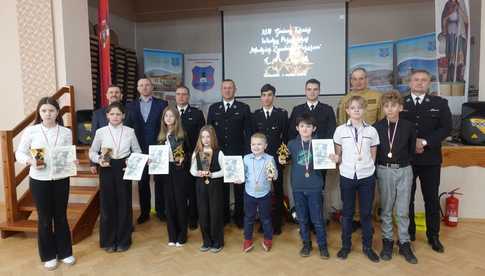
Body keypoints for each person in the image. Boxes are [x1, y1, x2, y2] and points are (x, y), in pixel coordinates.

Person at [15, 97, 77, 270]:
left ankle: (65, 252)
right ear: (39, 112)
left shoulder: (65, 132)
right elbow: (19, 153)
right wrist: (29, 161)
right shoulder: (31, 131)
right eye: (44, 110)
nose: (48, 114)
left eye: (51, 110)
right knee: (44, 218)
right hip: (39, 180)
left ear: (57, 112)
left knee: (61, 216)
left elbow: (67, 154)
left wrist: (73, 161)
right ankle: (49, 255)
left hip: (61, 180)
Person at [401, 69, 452, 253]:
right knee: (407, 199)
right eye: (416, 80)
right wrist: (411, 142)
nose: (420, 83)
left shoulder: (440, 103)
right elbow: (395, 127)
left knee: (431, 199)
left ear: (429, 83)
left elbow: (446, 128)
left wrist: (424, 142)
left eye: (424, 80)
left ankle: (433, 236)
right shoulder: (401, 103)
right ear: (410, 83)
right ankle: (410, 233)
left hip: (430, 160)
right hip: (407, 159)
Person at [331, 95, 380, 262]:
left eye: (359, 107)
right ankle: (346, 246)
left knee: (366, 213)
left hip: (366, 176)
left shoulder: (372, 131)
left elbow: (373, 154)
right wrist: (336, 159)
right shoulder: (340, 131)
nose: (356, 110)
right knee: (347, 213)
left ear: (364, 110)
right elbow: (338, 154)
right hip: (347, 176)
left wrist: (368, 168)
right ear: (347, 111)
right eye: (353, 107)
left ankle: (368, 247)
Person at [89, 102, 141, 253]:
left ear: (123, 115)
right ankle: (108, 241)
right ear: (107, 116)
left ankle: (124, 240)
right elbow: (92, 152)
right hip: (106, 168)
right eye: (112, 114)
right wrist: (99, 160)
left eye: (118, 114)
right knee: (107, 205)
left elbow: (137, 151)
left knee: (124, 204)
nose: (115, 117)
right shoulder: (101, 132)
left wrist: (131, 160)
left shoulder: (130, 131)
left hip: (123, 168)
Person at [337, 67, 384, 230]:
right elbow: (341, 125)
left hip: (370, 147)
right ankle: (354, 219)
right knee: (350, 189)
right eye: (355, 79)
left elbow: (382, 124)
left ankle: (367, 218)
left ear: (367, 79)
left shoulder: (377, 97)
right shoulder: (345, 100)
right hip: (350, 153)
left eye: (362, 78)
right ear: (350, 81)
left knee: (368, 189)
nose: (358, 82)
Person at [374, 91, 418, 264]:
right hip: (384, 170)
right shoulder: (377, 127)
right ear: (382, 108)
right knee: (385, 208)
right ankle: (387, 241)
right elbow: (375, 151)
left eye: (393, 106)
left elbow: (412, 150)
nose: (390, 109)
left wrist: (403, 165)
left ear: (400, 107)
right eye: (386, 106)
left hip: (404, 170)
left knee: (402, 210)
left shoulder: (408, 126)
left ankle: (404, 243)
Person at [281, 113, 329, 259]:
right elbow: (284, 160)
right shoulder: (291, 144)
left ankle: (322, 246)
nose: (305, 129)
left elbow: (328, 162)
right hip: (298, 187)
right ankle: (306, 244)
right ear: (297, 128)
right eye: (302, 126)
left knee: (317, 219)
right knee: (302, 219)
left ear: (314, 128)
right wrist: (281, 159)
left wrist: (332, 158)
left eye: (308, 126)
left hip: (315, 186)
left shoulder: (320, 143)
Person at [207, 79, 252, 228]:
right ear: (221, 90)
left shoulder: (244, 108)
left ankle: (240, 218)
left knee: (239, 189)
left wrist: (246, 155)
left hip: (238, 155)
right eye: (225, 88)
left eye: (230, 88)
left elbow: (248, 134)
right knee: (221, 189)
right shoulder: (214, 108)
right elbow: (209, 134)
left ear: (235, 90)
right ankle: (224, 217)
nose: (227, 90)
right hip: (219, 155)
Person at [125, 78, 168, 224]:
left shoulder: (162, 104)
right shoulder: (130, 106)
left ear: (152, 87)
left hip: (158, 148)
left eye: (147, 85)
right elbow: (128, 128)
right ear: (137, 88)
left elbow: (166, 126)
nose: (144, 87)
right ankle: (144, 212)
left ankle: (161, 211)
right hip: (138, 149)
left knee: (160, 181)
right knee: (142, 182)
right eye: (141, 85)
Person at [251, 84, 288, 234]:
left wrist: (283, 156)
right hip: (260, 160)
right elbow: (252, 139)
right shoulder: (255, 116)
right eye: (264, 95)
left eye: (269, 95)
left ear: (274, 97)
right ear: (260, 97)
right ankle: (264, 222)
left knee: (278, 191)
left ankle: (277, 223)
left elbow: (285, 137)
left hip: (276, 160)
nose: (266, 98)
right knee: (263, 192)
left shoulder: (281, 114)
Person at [157, 106, 190, 247]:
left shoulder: (182, 135)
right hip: (165, 172)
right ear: (163, 119)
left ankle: (182, 235)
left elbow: (190, 153)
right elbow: (156, 155)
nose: (168, 118)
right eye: (166, 116)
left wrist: (184, 159)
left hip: (179, 172)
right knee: (169, 204)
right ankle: (172, 236)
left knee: (180, 203)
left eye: (171, 116)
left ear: (176, 118)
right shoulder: (160, 136)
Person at [190, 126, 225, 253]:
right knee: (203, 214)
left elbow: (225, 171)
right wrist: (197, 173)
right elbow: (192, 170)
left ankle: (217, 242)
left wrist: (212, 175)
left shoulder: (218, 152)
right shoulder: (197, 152)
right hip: (201, 186)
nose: (205, 139)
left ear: (213, 137)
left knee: (215, 213)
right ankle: (206, 241)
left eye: (208, 136)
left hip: (215, 186)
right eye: (203, 137)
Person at [175, 85, 206, 229]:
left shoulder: (197, 114)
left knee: (194, 190)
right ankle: (180, 217)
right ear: (175, 96)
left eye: (184, 94)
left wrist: (201, 158)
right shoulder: (170, 113)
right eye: (179, 94)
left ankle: (193, 217)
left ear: (188, 97)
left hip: (194, 157)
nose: (181, 97)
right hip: (175, 160)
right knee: (179, 190)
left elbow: (203, 138)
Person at [242, 133, 278, 253]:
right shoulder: (246, 158)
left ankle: (268, 239)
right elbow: (242, 174)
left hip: (264, 194)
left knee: (266, 218)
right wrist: (238, 178)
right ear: (250, 145)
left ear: (265, 146)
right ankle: (247, 239)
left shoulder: (269, 159)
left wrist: (273, 175)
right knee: (248, 218)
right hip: (249, 193)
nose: (256, 146)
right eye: (253, 144)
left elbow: (275, 175)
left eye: (259, 144)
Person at [90, 85, 124, 175]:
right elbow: (94, 138)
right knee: (107, 187)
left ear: (121, 95)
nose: (114, 94)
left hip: (123, 159)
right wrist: (93, 163)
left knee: (124, 188)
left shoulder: (130, 112)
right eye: (111, 92)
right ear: (106, 95)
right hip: (105, 158)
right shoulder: (97, 114)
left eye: (117, 92)